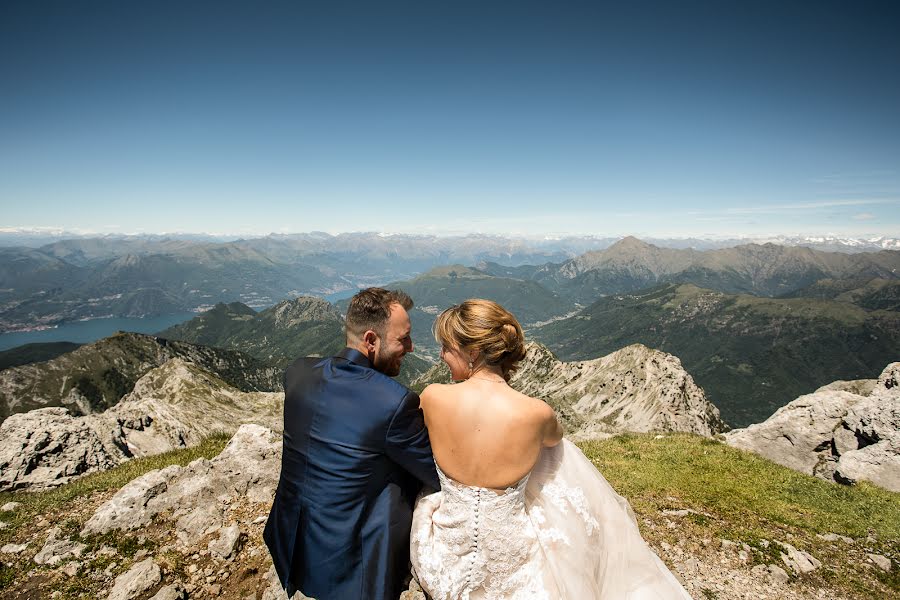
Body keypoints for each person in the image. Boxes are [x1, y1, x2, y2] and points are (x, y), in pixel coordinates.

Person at [410, 299, 693, 599]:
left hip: (445, 554)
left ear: (473, 351)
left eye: (446, 347)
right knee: (556, 451)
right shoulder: (537, 414)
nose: (440, 355)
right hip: (510, 562)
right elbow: (556, 439)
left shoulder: (432, 397)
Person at [264, 288, 439, 600]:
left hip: (289, 540)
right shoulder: (394, 402)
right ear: (371, 341)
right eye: (403, 339)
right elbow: (436, 473)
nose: (410, 348)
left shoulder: (298, 372)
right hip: (346, 566)